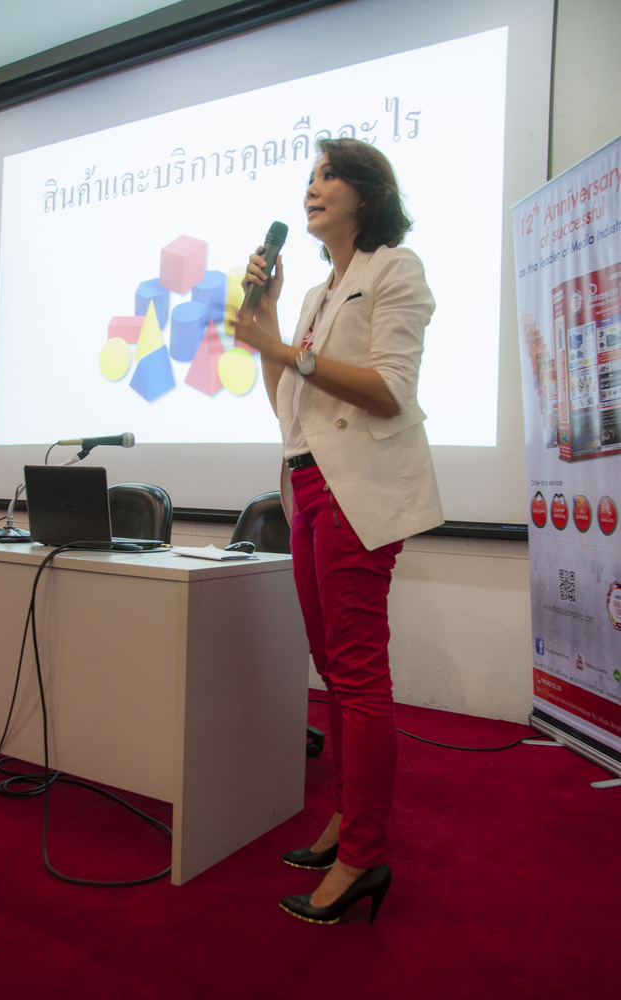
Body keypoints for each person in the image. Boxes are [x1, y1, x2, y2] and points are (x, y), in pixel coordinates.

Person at [234, 138, 443, 925]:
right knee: (331, 667)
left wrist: (281, 348)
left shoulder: (396, 269)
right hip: (306, 483)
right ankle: (346, 818)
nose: (312, 187)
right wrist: (268, 318)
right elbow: (287, 402)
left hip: (358, 490)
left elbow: (390, 390)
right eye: (309, 177)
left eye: (327, 176)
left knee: (357, 673)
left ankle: (362, 855)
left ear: (367, 192)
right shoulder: (321, 293)